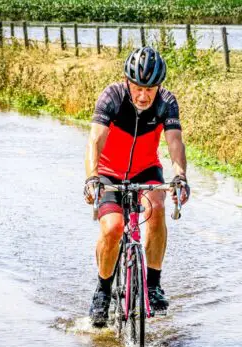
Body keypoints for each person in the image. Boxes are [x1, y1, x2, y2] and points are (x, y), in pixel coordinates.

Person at [84, 46, 190, 327]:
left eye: (150, 89)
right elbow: (95, 139)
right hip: (109, 172)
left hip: (146, 170)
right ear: (126, 81)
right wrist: (92, 177)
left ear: (159, 86)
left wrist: (180, 175)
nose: (143, 95)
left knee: (156, 208)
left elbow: (175, 141)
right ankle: (103, 292)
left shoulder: (166, 102)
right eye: (138, 88)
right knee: (112, 228)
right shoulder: (112, 97)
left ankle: (153, 285)